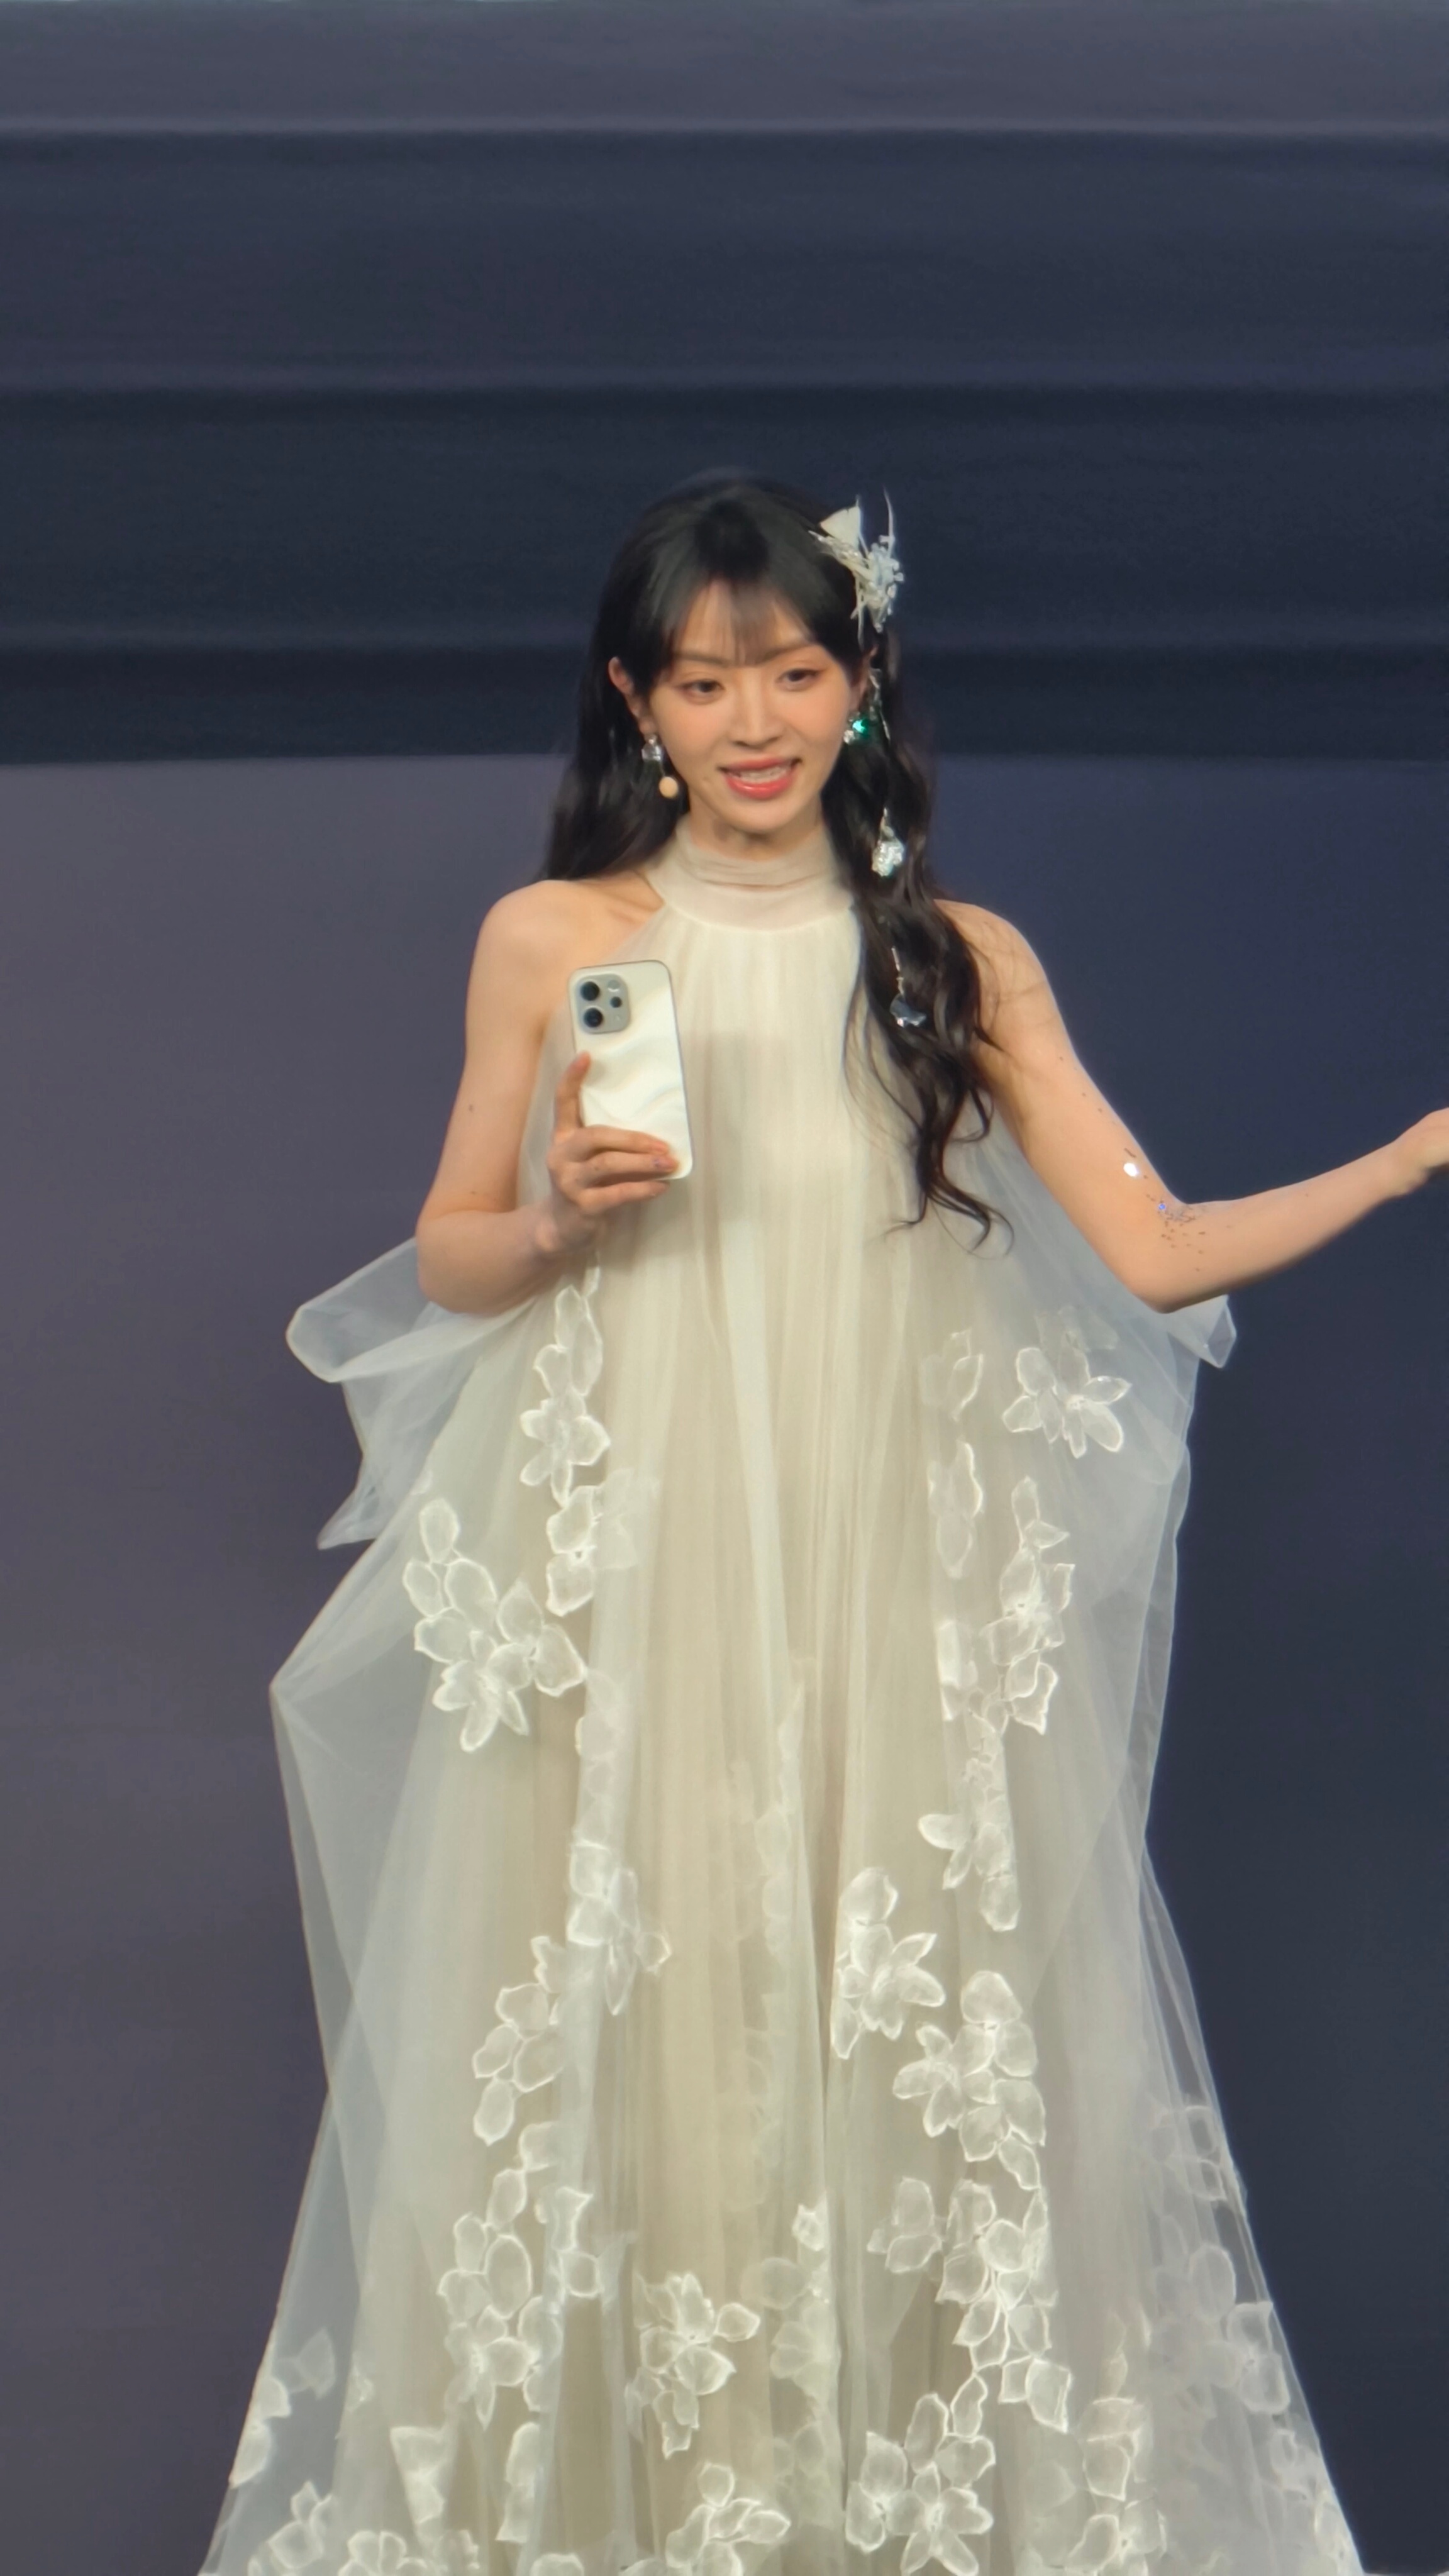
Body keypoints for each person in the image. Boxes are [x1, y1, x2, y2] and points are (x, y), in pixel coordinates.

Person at [199, 476, 1446, 2576]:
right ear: (638, 703)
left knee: (898, 2062)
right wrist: (553, 1215)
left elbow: (1151, 1250)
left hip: (877, 1599)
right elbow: (449, 1247)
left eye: (791, 671)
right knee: (654, 2063)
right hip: (646, 1593)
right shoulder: (558, 940)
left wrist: (1406, 1159)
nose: (753, 721)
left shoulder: (957, 959)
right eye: (705, 684)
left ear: (860, 681)